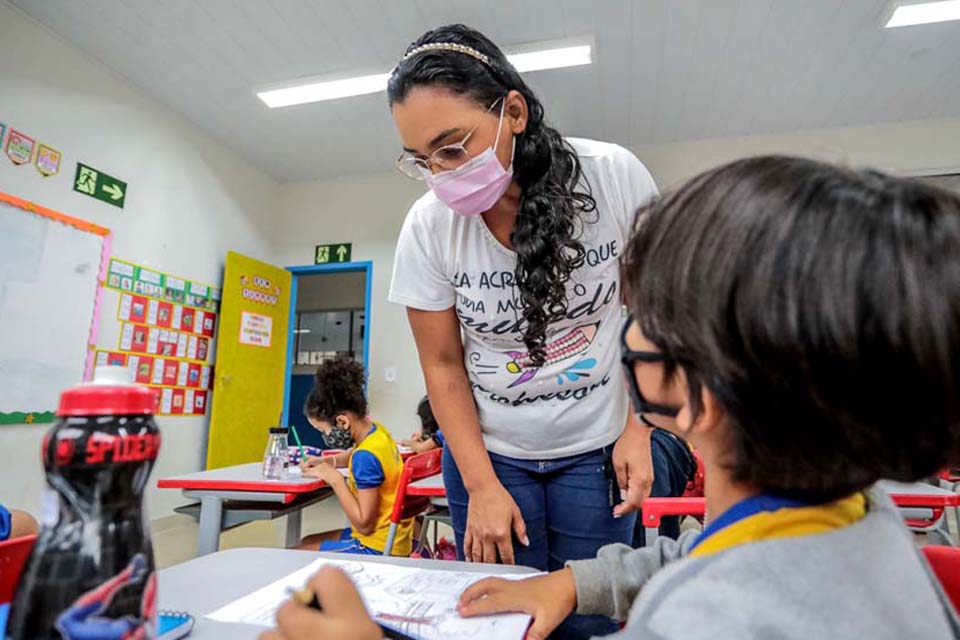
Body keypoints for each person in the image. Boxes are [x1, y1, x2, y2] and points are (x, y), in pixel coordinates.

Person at [450, 157, 960, 638]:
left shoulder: (697, 619)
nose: (628, 327)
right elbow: (707, 552)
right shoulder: (858, 509)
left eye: (645, 310)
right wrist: (572, 583)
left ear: (700, 394)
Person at [387, 24, 683, 637]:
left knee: (586, 618)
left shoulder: (614, 178)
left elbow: (656, 315)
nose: (441, 175)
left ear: (512, 112)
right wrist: (480, 484)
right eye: (422, 161)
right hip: (490, 455)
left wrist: (638, 428)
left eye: (453, 147)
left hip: (596, 444)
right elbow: (442, 366)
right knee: (500, 622)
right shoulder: (428, 227)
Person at [297, 358, 413, 556]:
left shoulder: (364, 458)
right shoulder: (377, 433)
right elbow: (356, 453)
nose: (324, 437)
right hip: (395, 539)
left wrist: (335, 479)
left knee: (297, 553)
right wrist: (328, 461)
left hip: (375, 547)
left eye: (323, 431)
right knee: (307, 541)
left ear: (342, 422)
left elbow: (364, 524)